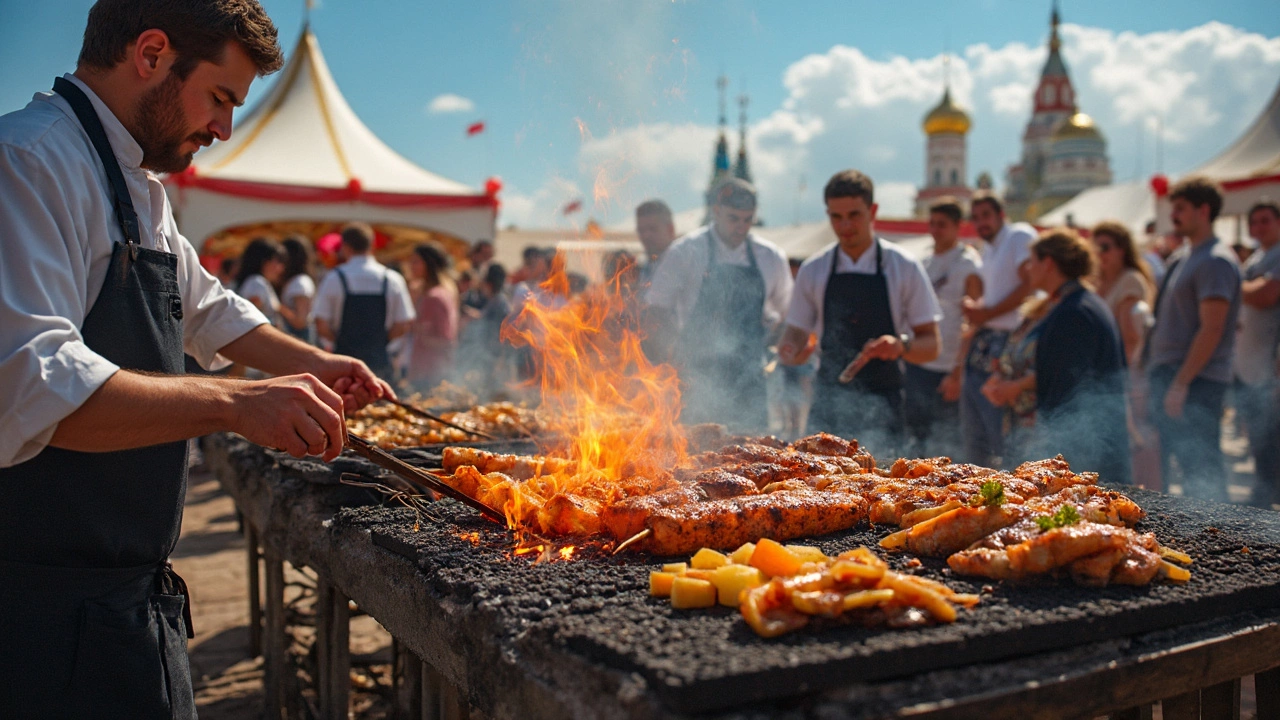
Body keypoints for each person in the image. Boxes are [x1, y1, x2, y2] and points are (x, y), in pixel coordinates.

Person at [0, 2, 392, 715]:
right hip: (37, 611)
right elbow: (31, 383)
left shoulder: (136, 183)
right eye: (220, 97)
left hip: (128, 600)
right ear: (151, 54)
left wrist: (315, 361)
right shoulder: (27, 163)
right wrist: (236, 405)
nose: (224, 128)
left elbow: (208, 307)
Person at [779, 170, 940, 452]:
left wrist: (900, 345)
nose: (845, 226)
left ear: (872, 210)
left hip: (885, 403)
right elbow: (795, 331)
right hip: (827, 402)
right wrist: (790, 350)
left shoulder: (903, 266)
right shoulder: (814, 269)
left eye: (854, 215)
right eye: (836, 217)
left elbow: (932, 345)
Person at [646, 178, 793, 432]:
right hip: (696, 376)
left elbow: (788, 313)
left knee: (753, 457)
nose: (741, 227)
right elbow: (657, 308)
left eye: (747, 220)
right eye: (733, 218)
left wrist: (775, 343)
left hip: (749, 379)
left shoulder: (770, 257)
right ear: (716, 211)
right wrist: (669, 355)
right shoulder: (685, 251)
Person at [982, 229, 1129, 482]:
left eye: (1032, 262)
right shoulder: (1061, 305)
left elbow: (1067, 384)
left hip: (1081, 453)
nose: (1028, 269)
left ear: (1048, 263)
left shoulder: (1075, 312)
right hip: (1058, 443)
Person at [1145, 177, 1242, 502]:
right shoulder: (1184, 257)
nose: (1174, 216)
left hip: (1196, 380)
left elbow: (1211, 329)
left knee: (1201, 467)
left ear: (1204, 210)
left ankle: (1221, 538)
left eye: (1181, 209)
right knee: (1181, 465)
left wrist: (1181, 384)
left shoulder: (1215, 260)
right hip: (1174, 374)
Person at [959, 192, 1037, 467]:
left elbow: (1029, 286)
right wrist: (976, 309)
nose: (981, 223)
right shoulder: (987, 249)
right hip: (984, 341)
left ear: (1001, 215)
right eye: (976, 217)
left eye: (986, 216)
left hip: (1009, 343)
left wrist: (986, 313)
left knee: (1003, 432)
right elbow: (993, 298)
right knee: (975, 434)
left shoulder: (1019, 236)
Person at [905, 198, 982, 457]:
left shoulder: (967, 264)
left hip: (949, 368)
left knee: (947, 445)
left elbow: (974, 321)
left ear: (957, 226)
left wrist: (958, 373)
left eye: (942, 225)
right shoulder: (924, 263)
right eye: (932, 224)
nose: (935, 230)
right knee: (916, 440)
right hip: (919, 364)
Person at [314, 222, 415, 381]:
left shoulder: (333, 278)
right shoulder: (392, 279)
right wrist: (381, 343)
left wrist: (341, 342)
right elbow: (403, 324)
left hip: (343, 365)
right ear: (372, 246)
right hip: (380, 364)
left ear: (345, 247)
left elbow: (321, 324)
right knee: (383, 406)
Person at [1234, 200, 1280, 508]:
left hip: (1270, 367)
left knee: (1271, 440)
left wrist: (1236, 286)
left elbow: (1266, 294)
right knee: (1259, 440)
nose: (1259, 227)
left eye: (1266, 220)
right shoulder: (1259, 257)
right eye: (1255, 222)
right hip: (1248, 367)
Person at [1091, 221, 1155, 364]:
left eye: (1104, 247)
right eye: (1094, 248)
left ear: (1122, 250)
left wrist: (1121, 379)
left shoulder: (1130, 280)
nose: (1099, 253)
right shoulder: (1095, 282)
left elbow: (1130, 339)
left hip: (1115, 369)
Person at [406, 242, 459, 392]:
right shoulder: (439, 292)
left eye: (416, 261)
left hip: (429, 375)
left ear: (428, 263)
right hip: (430, 372)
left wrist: (415, 329)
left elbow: (445, 340)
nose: (411, 265)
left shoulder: (434, 297)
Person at [458, 263, 511, 398]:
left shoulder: (499, 301)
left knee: (490, 392)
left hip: (494, 356)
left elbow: (496, 328)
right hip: (489, 355)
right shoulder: (495, 300)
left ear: (489, 283)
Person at [233, 237, 286, 329]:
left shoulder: (258, 282)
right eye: (277, 261)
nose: (280, 268)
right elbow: (251, 320)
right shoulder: (256, 283)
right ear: (264, 261)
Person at [279, 235, 316, 343]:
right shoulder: (296, 281)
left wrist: (278, 306)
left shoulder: (300, 283)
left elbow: (300, 321)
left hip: (299, 339)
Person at [635, 198, 677, 283]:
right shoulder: (641, 270)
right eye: (641, 230)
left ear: (670, 229)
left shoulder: (684, 266)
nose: (646, 236)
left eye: (652, 229)